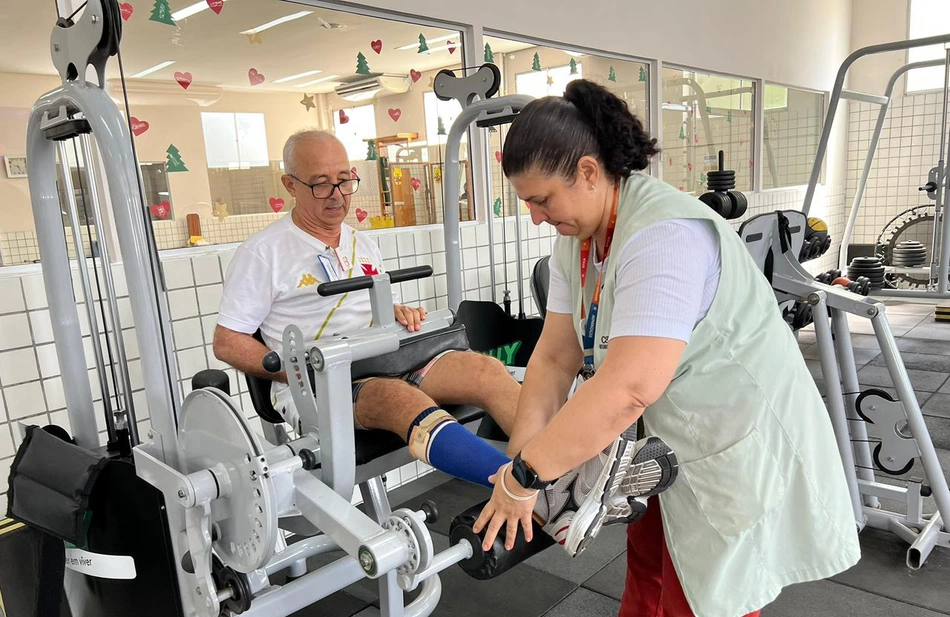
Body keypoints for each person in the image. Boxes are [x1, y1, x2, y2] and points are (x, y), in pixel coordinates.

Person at [472, 81, 860, 617]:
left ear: (590, 172)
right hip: (668, 429)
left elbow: (627, 388)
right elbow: (555, 355)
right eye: (527, 204)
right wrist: (526, 467)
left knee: (706, 603)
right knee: (648, 543)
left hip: (734, 430)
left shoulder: (664, 237)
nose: (536, 216)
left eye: (541, 199)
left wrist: (525, 479)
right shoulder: (579, 235)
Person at [212, 130, 667, 556]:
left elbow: (358, 306)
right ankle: (545, 496)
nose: (338, 195)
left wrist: (395, 311)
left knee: (485, 370)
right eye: (321, 185)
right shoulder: (263, 253)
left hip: (385, 356)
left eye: (345, 181)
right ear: (290, 185)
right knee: (399, 398)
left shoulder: (359, 244)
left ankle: (581, 468)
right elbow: (228, 342)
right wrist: (294, 368)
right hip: (318, 385)